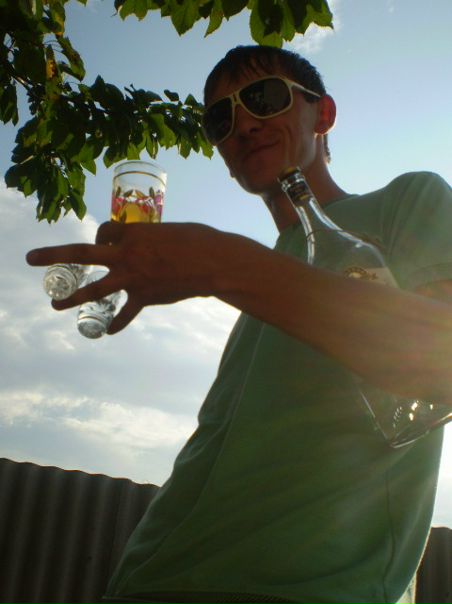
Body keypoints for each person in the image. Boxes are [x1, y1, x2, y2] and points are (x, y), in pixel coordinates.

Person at [27, 45, 452, 604]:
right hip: (146, 579)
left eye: (264, 98)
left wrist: (220, 264)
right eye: (220, 120)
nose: (244, 125)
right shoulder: (258, 276)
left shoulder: (406, 201)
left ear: (323, 114)